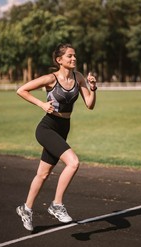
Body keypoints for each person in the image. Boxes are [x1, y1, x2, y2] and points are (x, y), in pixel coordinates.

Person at [16, 43, 97, 231]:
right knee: (73, 163)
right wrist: (41, 104)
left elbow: (90, 104)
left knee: (43, 174)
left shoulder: (79, 78)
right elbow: (21, 90)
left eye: (74, 55)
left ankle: (26, 209)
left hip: (63, 128)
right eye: (69, 56)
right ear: (59, 60)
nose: (74, 59)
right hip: (47, 128)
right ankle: (57, 204)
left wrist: (92, 87)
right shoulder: (50, 79)